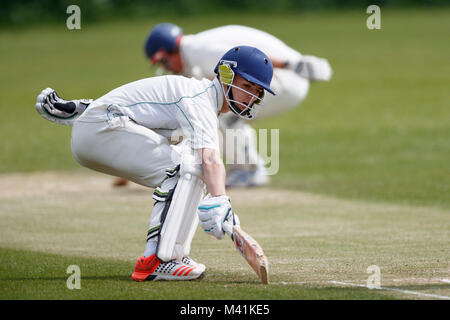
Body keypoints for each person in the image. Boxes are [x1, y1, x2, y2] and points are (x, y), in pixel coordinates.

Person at [38, 46, 275, 281]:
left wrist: (79, 108)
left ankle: (175, 255)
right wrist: (221, 199)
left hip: (101, 128)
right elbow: (211, 158)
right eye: (246, 86)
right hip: (101, 130)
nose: (252, 96)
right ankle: (156, 261)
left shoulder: (200, 98)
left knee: (192, 165)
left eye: (257, 91)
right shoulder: (199, 97)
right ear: (225, 76)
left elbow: (137, 105)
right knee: (185, 166)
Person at [36, 23, 332, 188]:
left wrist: (295, 63)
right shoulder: (191, 62)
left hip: (287, 77)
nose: (165, 68)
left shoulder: (198, 50)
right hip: (283, 76)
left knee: (223, 109)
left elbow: (255, 62)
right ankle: (246, 166)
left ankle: (250, 169)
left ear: (170, 51)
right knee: (210, 110)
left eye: (163, 61)